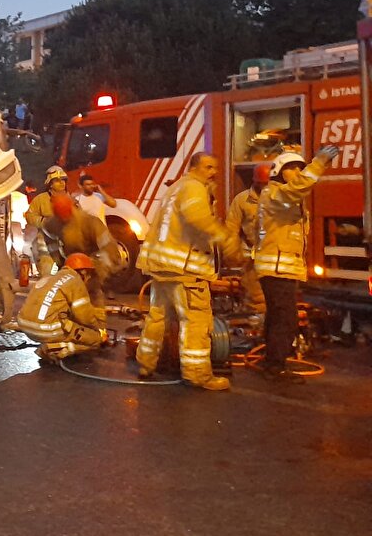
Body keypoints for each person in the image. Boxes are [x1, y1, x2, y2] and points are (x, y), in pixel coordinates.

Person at [135, 152, 241, 391]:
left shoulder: (176, 188)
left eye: (215, 167)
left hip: (162, 268)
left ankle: (146, 363)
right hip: (185, 271)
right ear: (194, 167)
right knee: (196, 321)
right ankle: (197, 375)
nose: (213, 172)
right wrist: (226, 239)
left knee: (157, 318)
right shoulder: (194, 188)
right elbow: (199, 219)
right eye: (208, 167)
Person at [254, 146, 339, 382]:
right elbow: (298, 188)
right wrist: (318, 163)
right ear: (279, 172)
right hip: (276, 267)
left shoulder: (283, 197)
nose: (297, 172)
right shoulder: (277, 194)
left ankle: (272, 360)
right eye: (291, 168)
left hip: (280, 266)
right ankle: (276, 366)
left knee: (277, 316)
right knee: (286, 318)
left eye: (300, 168)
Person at [10, 253, 108, 361]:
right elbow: (85, 316)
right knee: (95, 339)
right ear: (83, 272)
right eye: (89, 274)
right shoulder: (75, 280)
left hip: (25, 326)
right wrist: (98, 330)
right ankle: (55, 349)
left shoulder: (51, 278)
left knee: (69, 323)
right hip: (46, 330)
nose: (89, 278)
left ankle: (53, 343)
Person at [35, 193, 121, 313]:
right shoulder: (52, 225)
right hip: (69, 267)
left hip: (92, 267)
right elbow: (49, 246)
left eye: (66, 216)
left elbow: (109, 248)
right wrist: (55, 268)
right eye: (60, 217)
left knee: (93, 300)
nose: (64, 220)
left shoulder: (91, 223)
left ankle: (96, 320)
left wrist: (101, 272)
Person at [224, 162, 271, 314]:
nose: (263, 188)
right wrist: (233, 255)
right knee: (256, 298)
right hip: (253, 258)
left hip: (275, 255)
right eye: (260, 184)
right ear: (254, 181)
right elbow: (231, 228)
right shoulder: (242, 200)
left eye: (266, 184)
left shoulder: (279, 199)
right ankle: (257, 324)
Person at [24, 165, 69, 234]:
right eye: (57, 180)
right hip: (45, 236)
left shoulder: (71, 200)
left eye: (63, 180)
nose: (61, 183)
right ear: (50, 184)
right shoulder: (40, 199)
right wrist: (45, 222)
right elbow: (30, 216)